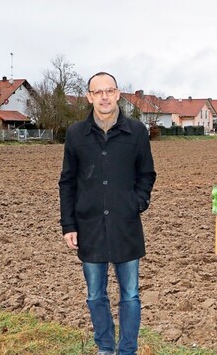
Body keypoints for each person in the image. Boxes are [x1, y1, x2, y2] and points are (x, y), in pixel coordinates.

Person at [59, 71, 156, 355]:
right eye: (98, 92)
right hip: (88, 227)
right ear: (89, 97)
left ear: (117, 94)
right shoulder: (76, 134)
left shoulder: (136, 131)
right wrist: (69, 225)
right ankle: (105, 347)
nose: (104, 96)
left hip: (125, 226)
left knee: (130, 295)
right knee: (95, 294)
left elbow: (147, 174)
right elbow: (67, 181)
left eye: (109, 90)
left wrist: (136, 203)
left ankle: (127, 350)